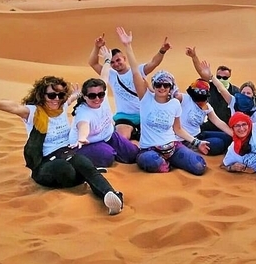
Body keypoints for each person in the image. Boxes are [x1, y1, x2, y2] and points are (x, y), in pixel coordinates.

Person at [0, 77, 124, 215]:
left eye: (60, 95)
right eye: (51, 95)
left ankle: (111, 196)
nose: (56, 99)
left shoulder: (62, 106)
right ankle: (84, 176)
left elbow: (71, 98)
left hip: (67, 154)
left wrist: (77, 94)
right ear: (42, 95)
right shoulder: (33, 112)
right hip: (44, 164)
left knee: (83, 162)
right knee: (64, 168)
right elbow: (14, 107)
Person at [114, 27, 211, 175]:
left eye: (166, 85)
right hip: (150, 149)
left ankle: (171, 161)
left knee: (199, 166)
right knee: (151, 161)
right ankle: (163, 164)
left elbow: (178, 129)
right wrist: (128, 46)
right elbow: (135, 72)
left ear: (171, 86)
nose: (162, 87)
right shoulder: (146, 98)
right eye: (158, 84)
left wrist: (197, 143)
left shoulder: (174, 104)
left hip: (172, 147)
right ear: (154, 85)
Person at [87, 32, 171, 141]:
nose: (116, 64)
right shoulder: (111, 75)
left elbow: (154, 63)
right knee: (123, 138)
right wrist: (96, 47)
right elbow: (93, 63)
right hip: (124, 116)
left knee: (157, 137)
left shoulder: (138, 70)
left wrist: (162, 51)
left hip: (145, 114)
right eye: (112, 62)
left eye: (118, 60)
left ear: (124, 58)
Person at [69, 76, 139, 167]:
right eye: (92, 96)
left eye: (100, 94)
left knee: (133, 154)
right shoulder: (83, 112)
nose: (97, 98)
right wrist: (82, 138)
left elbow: (104, 75)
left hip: (108, 136)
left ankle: (111, 150)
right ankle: (79, 158)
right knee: (107, 156)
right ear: (85, 97)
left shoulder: (103, 98)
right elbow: (83, 125)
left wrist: (107, 61)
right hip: (86, 144)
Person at [197, 59, 256, 123]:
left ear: (253, 95)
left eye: (248, 93)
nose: (245, 95)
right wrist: (211, 76)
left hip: (252, 136)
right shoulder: (234, 101)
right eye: (243, 92)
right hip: (236, 135)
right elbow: (221, 88)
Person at [173, 77, 234, 156]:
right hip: (186, 140)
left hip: (199, 134)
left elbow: (218, 122)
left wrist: (234, 135)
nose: (201, 102)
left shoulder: (207, 106)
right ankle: (195, 149)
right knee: (217, 144)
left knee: (228, 137)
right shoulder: (184, 99)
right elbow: (169, 96)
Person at [185, 47, 240, 128]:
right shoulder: (210, 86)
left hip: (227, 128)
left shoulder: (235, 91)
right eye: (219, 77)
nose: (221, 79)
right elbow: (201, 72)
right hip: (210, 125)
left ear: (229, 78)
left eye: (225, 78)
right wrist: (194, 57)